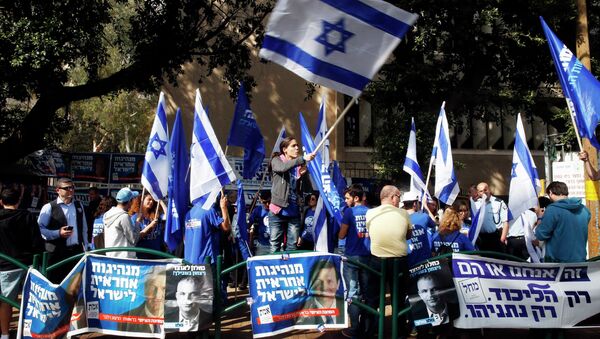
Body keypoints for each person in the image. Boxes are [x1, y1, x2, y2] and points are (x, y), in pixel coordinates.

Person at [366, 185, 412, 337]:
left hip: (376, 260)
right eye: (399, 196)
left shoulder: (370, 213)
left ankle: (371, 330)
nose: (400, 200)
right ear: (393, 197)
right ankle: (399, 332)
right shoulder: (404, 214)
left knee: (373, 298)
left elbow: (372, 233)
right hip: (398, 261)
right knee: (398, 299)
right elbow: (408, 235)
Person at [0, 187, 44, 339]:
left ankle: (5, 334)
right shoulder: (28, 217)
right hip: (28, 265)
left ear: (1, 202)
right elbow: (37, 241)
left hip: (6, 267)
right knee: (30, 301)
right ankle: (26, 332)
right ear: (18, 201)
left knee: (6, 301)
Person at [338, 185, 374, 338]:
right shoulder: (371, 212)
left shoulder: (348, 212)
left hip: (352, 257)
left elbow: (341, 235)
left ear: (356, 198)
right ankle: (368, 329)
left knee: (353, 294)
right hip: (368, 257)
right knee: (367, 294)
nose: (345, 201)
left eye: (347, 198)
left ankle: (354, 329)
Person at [269, 137, 315, 253]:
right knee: (275, 245)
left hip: (294, 211)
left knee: (292, 246)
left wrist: (304, 175)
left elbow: (307, 189)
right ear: (285, 149)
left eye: (297, 145)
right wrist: (303, 158)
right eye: (293, 146)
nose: (297, 148)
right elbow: (283, 168)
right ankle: (275, 270)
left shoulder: (299, 165)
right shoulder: (276, 160)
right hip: (278, 210)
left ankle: (290, 270)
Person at [38, 178, 89, 283]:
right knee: (55, 282)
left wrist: (86, 246)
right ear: (58, 190)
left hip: (76, 251)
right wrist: (57, 233)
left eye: (72, 187)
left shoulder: (79, 206)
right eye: (67, 188)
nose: (71, 190)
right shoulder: (49, 207)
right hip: (56, 252)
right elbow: (40, 229)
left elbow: (84, 228)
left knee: (74, 284)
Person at [534, 181, 590, 263]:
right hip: (580, 260)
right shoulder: (584, 209)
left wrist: (539, 218)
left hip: (557, 262)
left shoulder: (552, 210)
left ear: (550, 192)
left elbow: (541, 234)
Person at [297, 259, 345, 325]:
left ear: (338, 283)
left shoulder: (346, 310)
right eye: (319, 282)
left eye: (329, 281)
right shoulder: (303, 313)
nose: (324, 287)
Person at [118, 267, 166, 333]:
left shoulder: (178, 316)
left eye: (164, 289)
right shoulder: (125, 319)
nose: (158, 296)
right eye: (153, 287)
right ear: (145, 289)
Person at [103, 188, 140, 258]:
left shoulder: (107, 214)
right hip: (124, 259)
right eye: (132, 200)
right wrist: (138, 222)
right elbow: (133, 240)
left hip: (110, 257)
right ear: (129, 202)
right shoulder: (124, 217)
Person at [402, 191, 434, 267]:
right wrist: (425, 206)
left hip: (406, 261)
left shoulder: (398, 218)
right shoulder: (424, 216)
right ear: (414, 204)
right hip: (424, 262)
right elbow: (435, 223)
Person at [130, 193, 166, 259]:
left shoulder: (156, 216)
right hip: (141, 254)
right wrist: (150, 226)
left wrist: (160, 201)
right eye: (149, 199)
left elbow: (168, 216)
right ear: (142, 200)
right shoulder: (135, 218)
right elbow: (135, 238)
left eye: (153, 200)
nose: (151, 202)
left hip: (156, 253)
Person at [474, 182, 508, 253]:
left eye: (485, 190)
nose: (484, 192)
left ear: (489, 190)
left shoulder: (499, 202)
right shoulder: (475, 204)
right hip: (481, 238)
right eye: (481, 191)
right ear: (478, 193)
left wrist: (503, 238)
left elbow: (505, 222)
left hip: (495, 238)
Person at [249, 191, 271, 256]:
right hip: (262, 244)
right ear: (260, 200)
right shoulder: (258, 210)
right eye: (264, 202)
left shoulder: (277, 209)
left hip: (276, 244)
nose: (267, 204)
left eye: (269, 202)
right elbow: (248, 223)